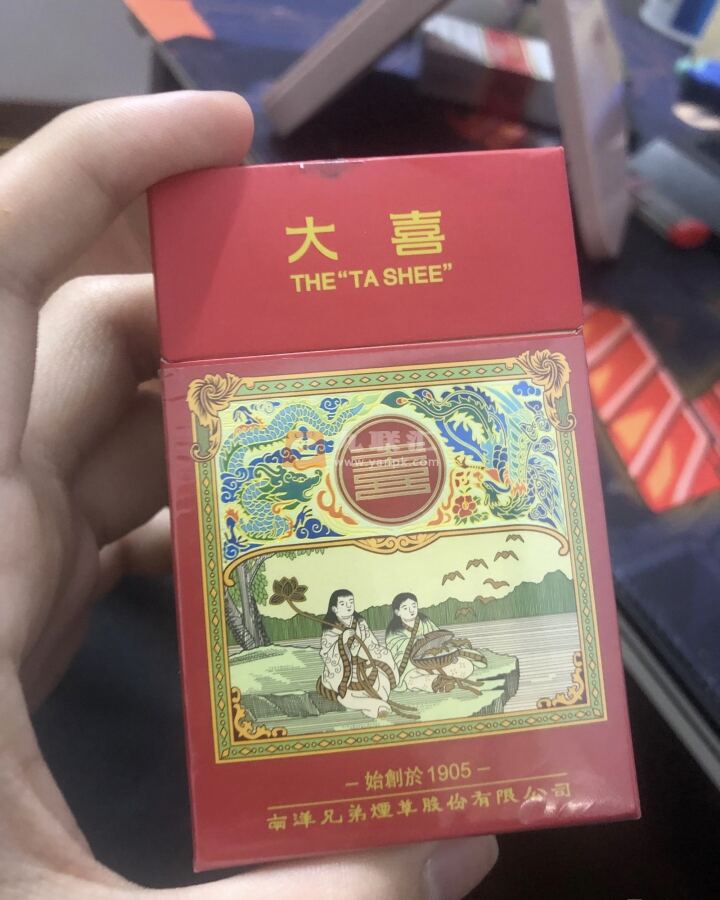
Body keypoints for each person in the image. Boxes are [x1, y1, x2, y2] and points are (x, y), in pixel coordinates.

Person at [0, 91, 497, 898]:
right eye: (356, 606)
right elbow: (347, 654)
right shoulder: (342, 628)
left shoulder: (389, 623)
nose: (365, 609)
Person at [316, 589, 399, 718]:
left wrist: (362, 651)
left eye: (351, 602)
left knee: (382, 680)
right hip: (344, 670)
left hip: (363, 664)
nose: (348, 606)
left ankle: (373, 706)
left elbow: (370, 643)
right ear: (334, 609)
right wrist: (342, 640)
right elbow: (327, 653)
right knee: (345, 696)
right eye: (343, 604)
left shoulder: (360, 623)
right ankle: (376, 707)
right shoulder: (330, 629)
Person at [385, 592, 478, 693]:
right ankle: (439, 683)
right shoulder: (394, 630)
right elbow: (394, 647)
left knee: (464, 665)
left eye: (414, 606)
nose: (411, 610)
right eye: (406, 608)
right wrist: (415, 641)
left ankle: (442, 677)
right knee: (410, 678)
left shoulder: (424, 621)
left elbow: (437, 636)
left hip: (432, 659)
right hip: (410, 663)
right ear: (397, 612)